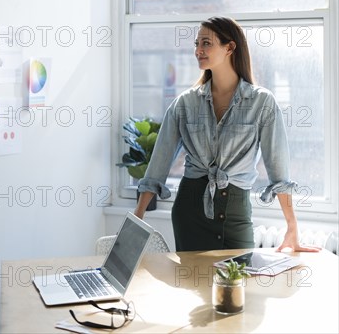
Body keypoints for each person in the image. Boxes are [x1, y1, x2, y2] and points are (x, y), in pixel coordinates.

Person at [135, 17, 320, 253]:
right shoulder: (185, 103)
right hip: (189, 213)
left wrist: (292, 226)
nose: (198, 50)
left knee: (239, 285)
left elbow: (278, 169)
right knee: (194, 287)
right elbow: (158, 165)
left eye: (206, 43)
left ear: (230, 47)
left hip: (237, 214)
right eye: (196, 44)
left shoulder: (262, 102)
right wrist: (138, 218)